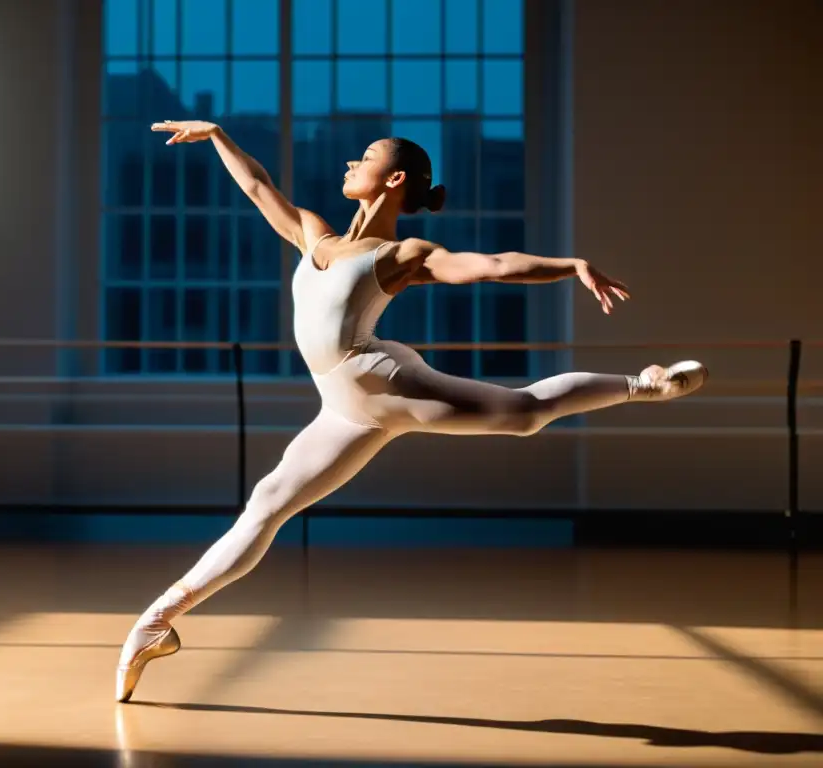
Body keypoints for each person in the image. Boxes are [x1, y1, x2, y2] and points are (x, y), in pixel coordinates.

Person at [115, 120, 707, 702]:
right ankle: (156, 623)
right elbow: (257, 185)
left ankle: (644, 384)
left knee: (523, 414)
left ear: (393, 177)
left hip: (382, 380)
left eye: (365, 155)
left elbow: (492, 266)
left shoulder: (402, 253)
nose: (351, 162)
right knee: (266, 505)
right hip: (342, 407)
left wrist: (570, 265)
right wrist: (219, 135)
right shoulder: (316, 237)